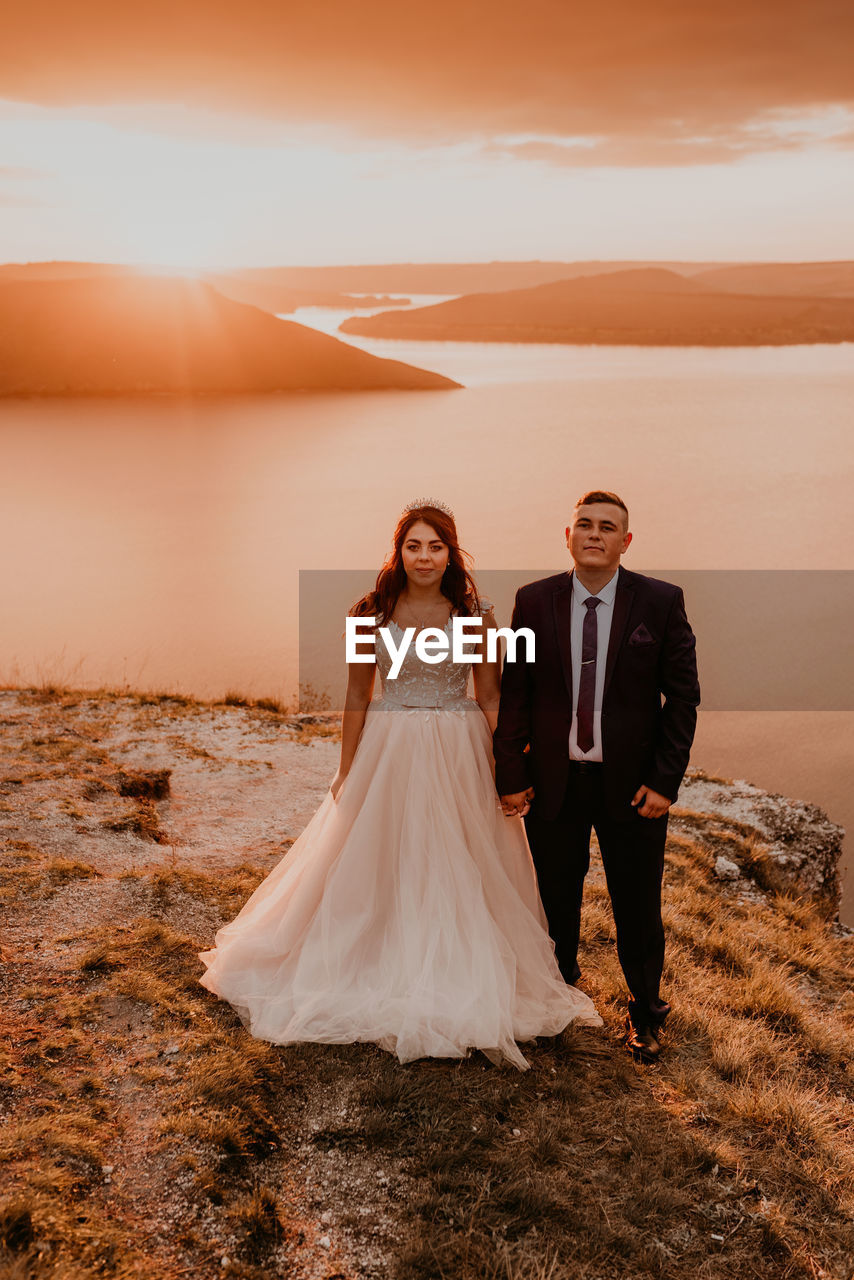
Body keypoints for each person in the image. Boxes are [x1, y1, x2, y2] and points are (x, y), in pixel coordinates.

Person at [199, 499, 600, 1069]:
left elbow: (489, 696)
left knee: (458, 857)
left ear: (451, 553)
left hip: (458, 748)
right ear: (399, 551)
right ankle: (374, 958)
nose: (425, 556)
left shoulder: (475, 615)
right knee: (381, 855)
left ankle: (456, 965)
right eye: (414, 545)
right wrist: (346, 769)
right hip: (390, 746)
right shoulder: (370, 612)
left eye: (436, 546)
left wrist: (509, 768)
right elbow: (358, 696)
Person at [494, 491, 700, 1061]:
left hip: (632, 788)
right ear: (567, 535)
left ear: (625, 542)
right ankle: (557, 999)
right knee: (553, 898)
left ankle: (644, 1011)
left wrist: (664, 782)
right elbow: (517, 692)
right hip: (553, 782)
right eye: (583, 524)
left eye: (607, 527)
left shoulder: (660, 602)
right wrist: (510, 771)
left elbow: (683, 699)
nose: (594, 533)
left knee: (637, 903)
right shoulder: (533, 602)